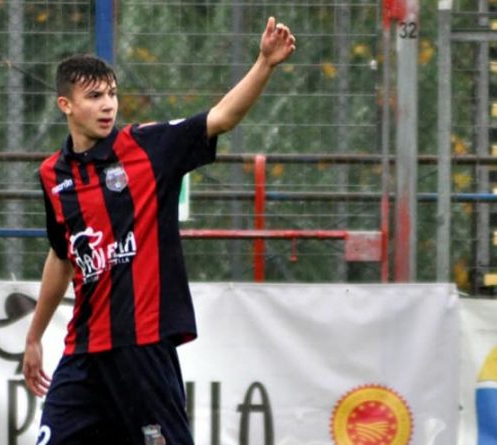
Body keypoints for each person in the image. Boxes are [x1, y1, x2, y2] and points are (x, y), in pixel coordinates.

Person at [23, 16, 296, 445]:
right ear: (66, 105)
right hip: (83, 354)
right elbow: (62, 256)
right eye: (94, 96)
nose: (108, 105)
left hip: (144, 349)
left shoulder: (148, 148)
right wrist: (35, 336)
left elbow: (221, 118)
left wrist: (264, 63)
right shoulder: (52, 175)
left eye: (112, 94)